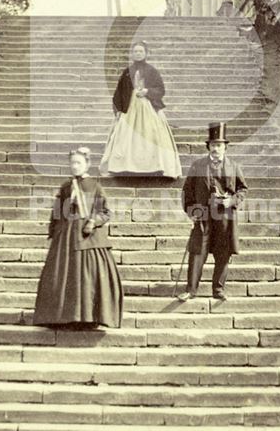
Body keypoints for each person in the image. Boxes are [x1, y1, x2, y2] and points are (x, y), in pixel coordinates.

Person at [33, 146, 123, 328]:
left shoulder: (94, 186)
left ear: (87, 164)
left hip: (87, 237)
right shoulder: (66, 186)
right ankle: (62, 317)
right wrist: (54, 231)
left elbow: (105, 212)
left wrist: (93, 221)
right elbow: (57, 211)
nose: (75, 166)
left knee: (87, 277)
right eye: (72, 163)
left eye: (78, 163)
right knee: (63, 275)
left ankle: (88, 318)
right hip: (65, 238)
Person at [178, 122, 247, 302]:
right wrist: (192, 211)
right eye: (213, 145)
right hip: (203, 216)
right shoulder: (197, 166)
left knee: (223, 253)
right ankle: (191, 290)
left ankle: (218, 289)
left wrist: (230, 201)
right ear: (208, 146)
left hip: (225, 217)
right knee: (197, 253)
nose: (216, 148)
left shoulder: (234, 167)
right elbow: (187, 191)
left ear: (225, 147)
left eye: (219, 145)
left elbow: (242, 190)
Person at [99, 41, 182, 178]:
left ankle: (154, 166)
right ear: (132, 54)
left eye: (141, 51)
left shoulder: (152, 71)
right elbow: (118, 92)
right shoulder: (127, 72)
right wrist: (119, 110)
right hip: (130, 109)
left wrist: (147, 91)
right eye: (136, 51)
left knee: (152, 133)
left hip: (148, 106)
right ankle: (124, 166)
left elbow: (161, 89)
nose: (138, 54)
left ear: (146, 53)